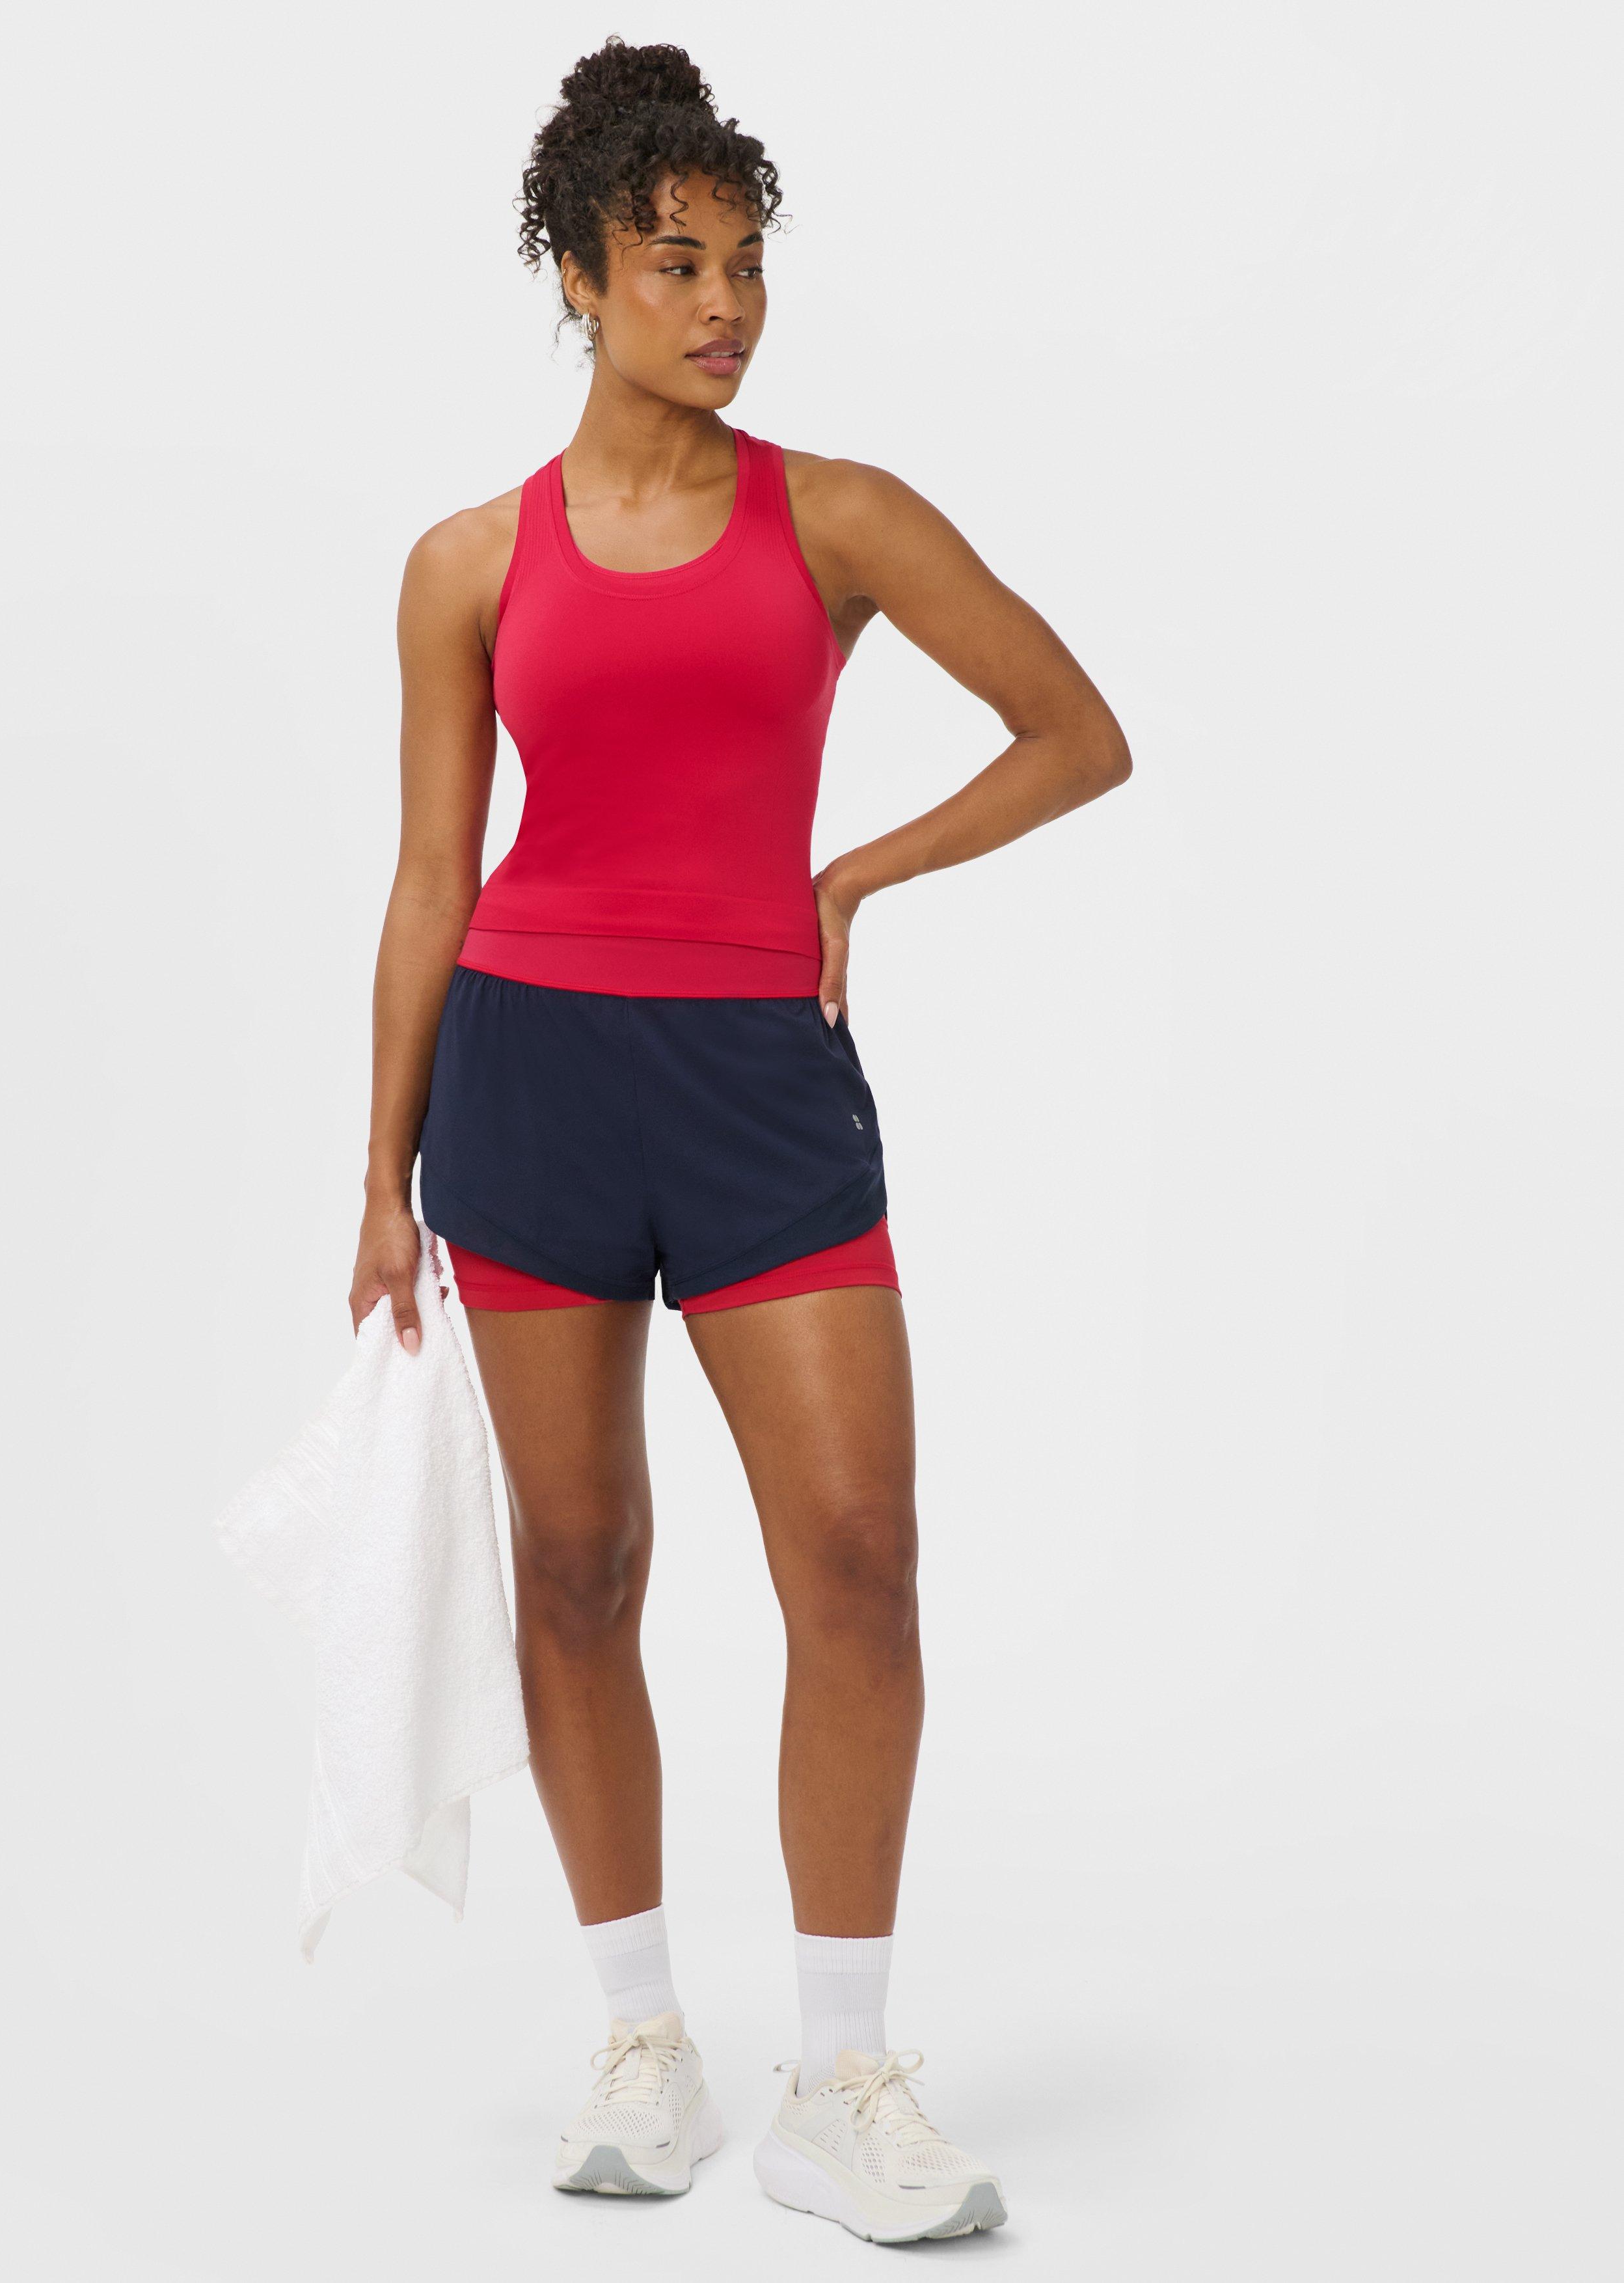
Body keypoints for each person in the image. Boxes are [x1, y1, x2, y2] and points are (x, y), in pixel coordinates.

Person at [348, 38, 1130, 2245]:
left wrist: (856, 871)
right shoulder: (466, 561)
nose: (724, 306)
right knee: (579, 1567)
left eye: (747, 264)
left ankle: (843, 2075)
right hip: (526, 1077)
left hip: (762, 1085)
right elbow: (430, 876)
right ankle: (639, 2036)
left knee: (857, 1554)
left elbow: (1075, 731)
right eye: (674, 264)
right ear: (575, 278)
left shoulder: (841, 516)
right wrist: (377, 1175)